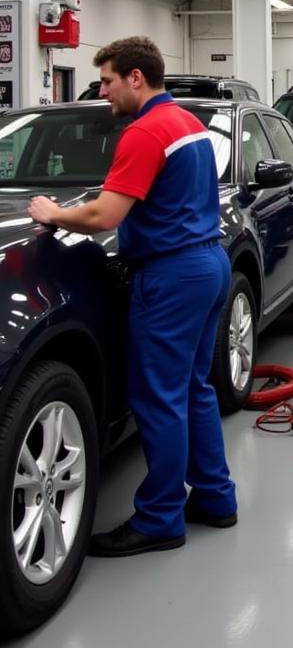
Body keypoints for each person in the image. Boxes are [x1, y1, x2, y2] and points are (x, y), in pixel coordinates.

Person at [28, 36, 237, 557]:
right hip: (209, 263)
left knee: (157, 398)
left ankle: (161, 518)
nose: (103, 92)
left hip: (171, 275)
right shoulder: (189, 125)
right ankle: (215, 497)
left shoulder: (145, 131)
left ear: (135, 78)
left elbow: (104, 215)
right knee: (194, 389)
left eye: (107, 81)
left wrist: (54, 214)